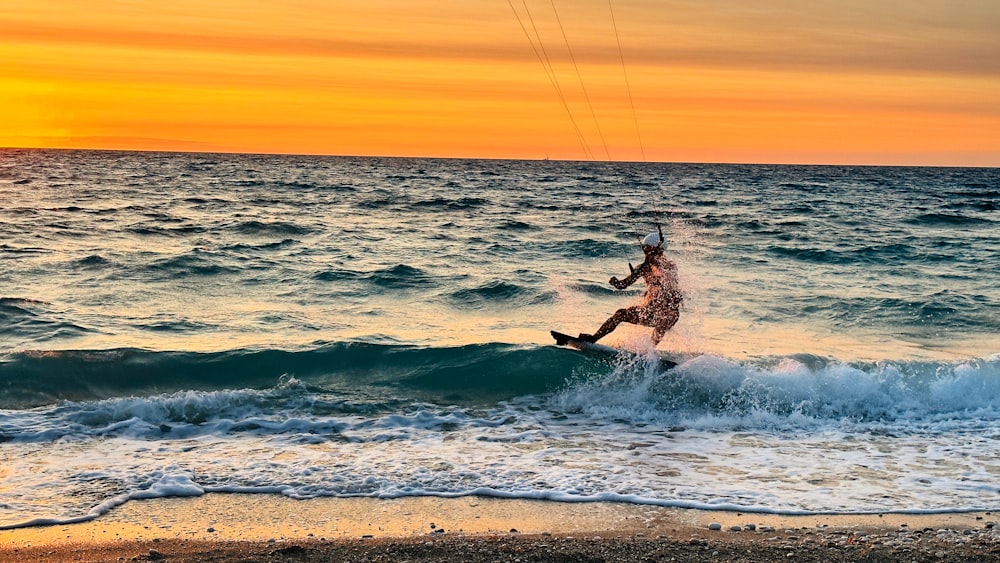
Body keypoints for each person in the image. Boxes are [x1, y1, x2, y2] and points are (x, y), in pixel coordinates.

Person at [578, 230, 682, 345]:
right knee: (620, 314)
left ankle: (650, 351)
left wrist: (653, 263)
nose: (645, 251)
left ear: (658, 249)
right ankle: (593, 339)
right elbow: (624, 285)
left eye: (648, 248)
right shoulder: (643, 267)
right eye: (644, 248)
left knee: (668, 317)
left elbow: (668, 280)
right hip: (650, 312)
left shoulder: (669, 266)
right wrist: (616, 283)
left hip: (667, 313)